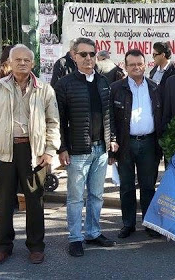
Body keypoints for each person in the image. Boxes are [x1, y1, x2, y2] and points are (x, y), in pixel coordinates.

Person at [0, 44, 61, 265]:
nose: (22, 63)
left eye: (26, 60)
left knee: (35, 201)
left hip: (34, 152)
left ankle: (36, 246)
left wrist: (50, 151)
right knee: (4, 202)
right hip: (4, 151)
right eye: (18, 60)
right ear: (10, 63)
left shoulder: (44, 89)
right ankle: (3, 246)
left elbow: (53, 123)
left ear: (33, 63)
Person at [54, 37, 117, 257]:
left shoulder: (103, 82)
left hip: (101, 149)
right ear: (73, 56)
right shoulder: (64, 84)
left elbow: (109, 114)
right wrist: (61, 148)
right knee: (75, 197)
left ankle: (92, 232)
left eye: (92, 54)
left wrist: (112, 140)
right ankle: (75, 237)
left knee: (97, 195)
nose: (88, 58)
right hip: (78, 151)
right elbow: (58, 120)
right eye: (83, 54)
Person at [109, 49, 163, 239]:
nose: (136, 67)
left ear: (145, 64)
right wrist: (112, 141)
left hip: (149, 143)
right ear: (125, 66)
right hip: (125, 144)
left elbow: (160, 115)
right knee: (127, 186)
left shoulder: (155, 87)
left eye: (139, 64)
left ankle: (149, 223)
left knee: (148, 186)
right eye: (132, 64)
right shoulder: (116, 88)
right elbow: (111, 119)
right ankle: (128, 224)